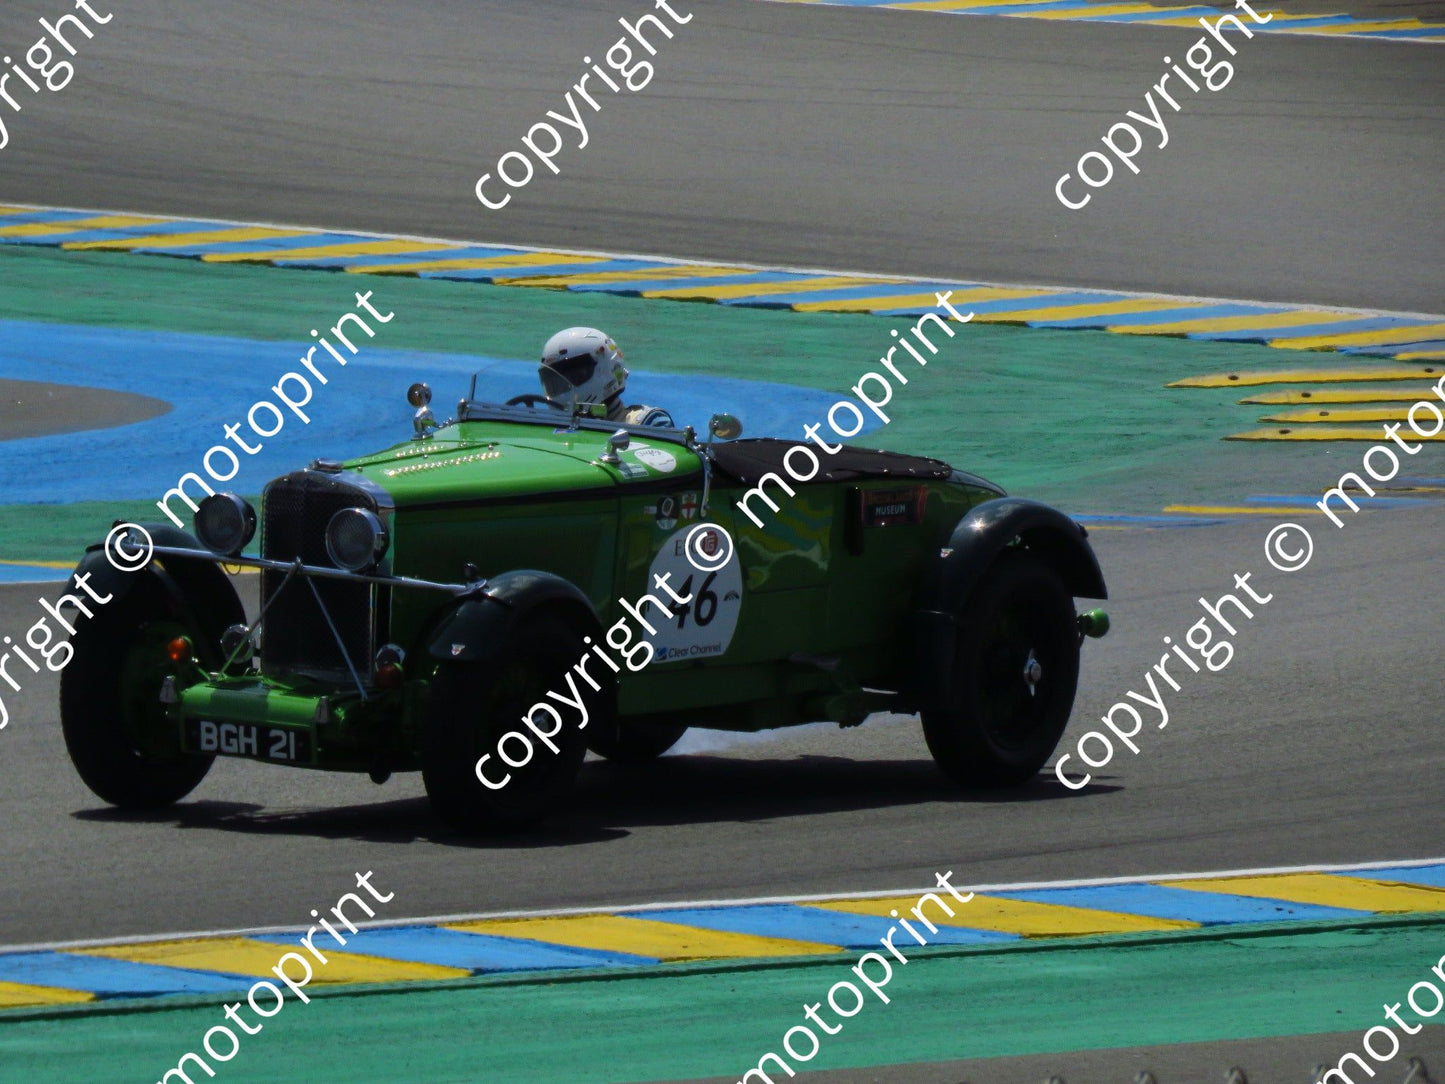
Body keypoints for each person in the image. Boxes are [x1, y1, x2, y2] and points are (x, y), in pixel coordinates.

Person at [538, 327, 674, 427]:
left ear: (606, 367)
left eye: (572, 375)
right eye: (554, 381)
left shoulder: (647, 423)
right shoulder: (550, 434)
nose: (561, 387)